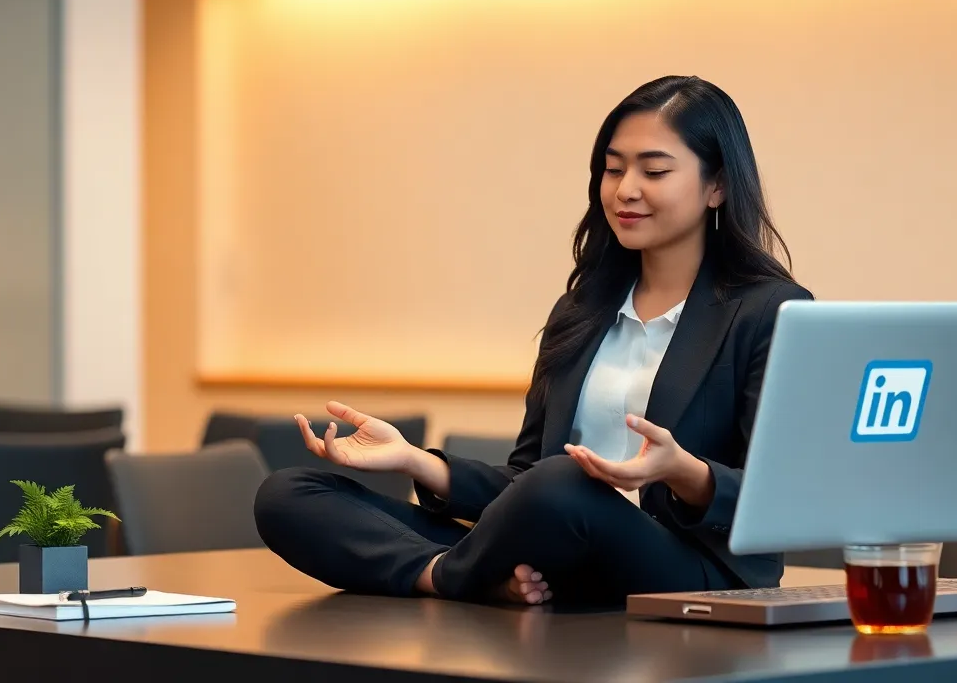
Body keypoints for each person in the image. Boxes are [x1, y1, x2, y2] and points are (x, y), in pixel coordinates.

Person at [253, 75, 813, 607]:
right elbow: (523, 481)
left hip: (690, 571)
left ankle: (458, 576)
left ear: (717, 185)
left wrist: (680, 470)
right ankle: (452, 577)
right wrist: (418, 463)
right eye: (613, 170)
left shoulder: (770, 309)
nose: (626, 190)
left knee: (566, 483)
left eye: (655, 171)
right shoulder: (581, 310)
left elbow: (783, 499)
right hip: (558, 547)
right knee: (288, 494)